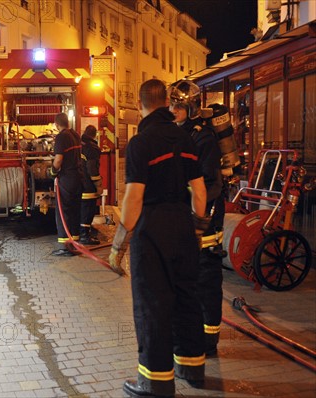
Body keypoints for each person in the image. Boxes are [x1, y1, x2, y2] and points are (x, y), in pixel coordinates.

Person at [110, 79, 209, 397]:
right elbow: (200, 192)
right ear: (166, 102)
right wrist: (196, 228)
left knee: (152, 304)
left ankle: (155, 382)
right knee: (186, 297)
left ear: (140, 105)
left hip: (152, 230)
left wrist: (118, 245)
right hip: (183, 223)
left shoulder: (141, 143)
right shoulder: (186, 138)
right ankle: (192, 367)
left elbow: (133, 198)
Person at [169, 79, 225, 356]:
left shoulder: (203, 137)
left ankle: (209, 339)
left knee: (207, 279)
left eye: (178, 106)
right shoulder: (181, 134)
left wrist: (198, 220)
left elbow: (209, 183)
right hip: (189, 216)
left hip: (207, 218)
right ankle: (194, 333)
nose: (173, 110)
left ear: (191, 108)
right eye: (171, 105)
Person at [49, 112, 83, 256]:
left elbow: (58, 160)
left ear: (57, 125)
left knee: (63, 211)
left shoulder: (61, 137)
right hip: (78, 177)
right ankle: (74, 243)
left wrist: (52, 172)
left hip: (67, 179)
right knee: (75, 210)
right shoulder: (75, 135)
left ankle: (65, 247)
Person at [79, 125, 102, 245]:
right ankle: (84, 235)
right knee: (88, 209)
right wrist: (98, 184)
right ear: (95, 135)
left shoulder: (79, 144)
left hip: (77, 182)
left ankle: (81, 231)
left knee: (81, 208)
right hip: (88, 184)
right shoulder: (92, 148)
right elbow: (92, 169)